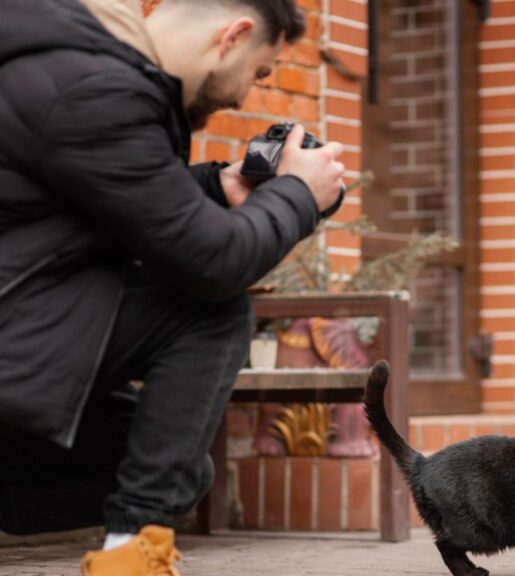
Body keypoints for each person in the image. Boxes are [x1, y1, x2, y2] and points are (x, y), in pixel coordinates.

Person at [0, 0, 347, 573]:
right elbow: (214, 266)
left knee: (179, 470)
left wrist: (215, 187)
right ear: (232, 36)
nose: (242, 98)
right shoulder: (100, 90)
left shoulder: (69, 67)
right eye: (258, 74)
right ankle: (131, 559)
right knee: (208, 310)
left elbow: (70, 210)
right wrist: (297, 196)